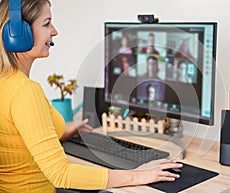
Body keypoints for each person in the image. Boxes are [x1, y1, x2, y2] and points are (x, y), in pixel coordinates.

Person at [0, 0, 182, 192]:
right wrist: (138, 174)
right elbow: (61, 174)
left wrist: (62, 132)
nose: (54, 31)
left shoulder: (7, 82)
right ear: (18, 34)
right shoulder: (26, 91)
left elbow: (18, 136)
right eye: (46, 24)